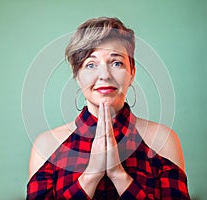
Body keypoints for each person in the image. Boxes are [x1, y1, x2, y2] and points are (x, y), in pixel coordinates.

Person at [26, 17, 190, 199]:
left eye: (116, 63)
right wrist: (91, 175)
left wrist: (118, 174)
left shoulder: (163, 140)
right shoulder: (47, 146)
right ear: (77, 77)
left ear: (132, 72)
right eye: (90, 64)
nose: (104, 75)